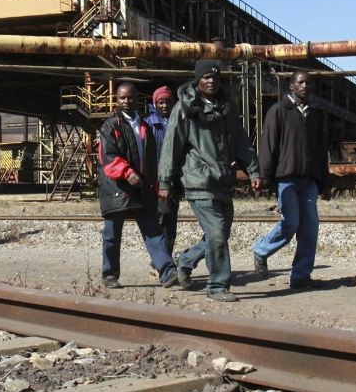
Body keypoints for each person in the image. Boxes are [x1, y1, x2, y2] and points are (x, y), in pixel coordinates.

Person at [159, 60, 262, 302]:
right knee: (216, 233)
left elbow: (241, 143)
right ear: (197, 81)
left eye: (215, 77)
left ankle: (185, 260)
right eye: (206, 77)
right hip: (198, 181)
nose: (211, 81)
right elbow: (171, 145)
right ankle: (217, 286)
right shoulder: (184, 108)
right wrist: (164, 180)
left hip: (223, 180)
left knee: (219, 235)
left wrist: (254, 171)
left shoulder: (226, 108)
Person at [251, 70, 330, 289]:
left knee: (310, 229)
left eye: (308, 83)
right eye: (300, 82)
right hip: (286, 179)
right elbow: (268, 146)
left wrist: (325, 182)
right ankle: (261, 249)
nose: (305, 86)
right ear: (292, 86)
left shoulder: (315, 115)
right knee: (291, 223)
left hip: (309, 181)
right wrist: (264, 176)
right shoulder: (279, 111)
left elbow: (322, 151)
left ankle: (301, 276)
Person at [98, 82, 179, 289]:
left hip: (142, 188)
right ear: (117, 100)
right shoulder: (110, 126)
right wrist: (127, 172)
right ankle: (110, 275)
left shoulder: (144, 126)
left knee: (154, 231)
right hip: (117, 188)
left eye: (130, 97)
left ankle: (167, 272)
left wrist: (156, 183)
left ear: (136, 99)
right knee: (112, 234)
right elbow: (108, 157)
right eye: (122, 98)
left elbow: (151, 160)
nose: (126, 101)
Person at [144, 85, 178, 255]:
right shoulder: (149, 124)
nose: (164, 105)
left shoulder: (178, 121)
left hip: (174, 181)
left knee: (171, 222)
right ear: (155, 104)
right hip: (156, 182)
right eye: (161, 102)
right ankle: (160, 262)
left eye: (168, 102)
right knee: (162, 219)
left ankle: (167, 260)